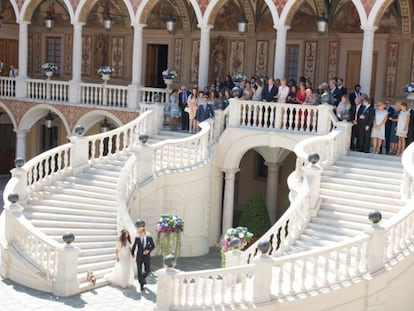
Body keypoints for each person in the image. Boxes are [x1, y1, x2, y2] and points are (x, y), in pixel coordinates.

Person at [131, 227, 155, 291]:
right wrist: (132, 254)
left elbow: (153, 246)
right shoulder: (137, 239)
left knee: (148, 270)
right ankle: (141, 285)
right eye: (139, 232)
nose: (140, 233)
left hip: (146, 256)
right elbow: (134, 246)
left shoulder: (149, 238)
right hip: (139, 256)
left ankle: (142, 279)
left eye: (141, 232)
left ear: (144, 232)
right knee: (139, 270)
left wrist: (148, 250)